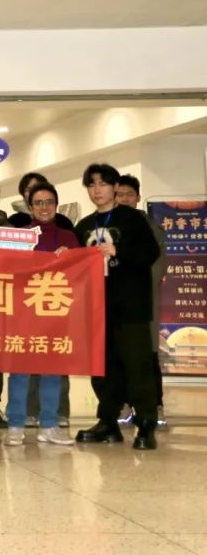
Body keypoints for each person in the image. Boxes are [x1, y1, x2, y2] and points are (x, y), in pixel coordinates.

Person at [74, 163, 161, 450]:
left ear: (114, 187)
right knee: (103, 368)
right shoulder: (83, 226)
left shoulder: (133, 219)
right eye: (92, 184)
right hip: (96, 309)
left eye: (103, 184)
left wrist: (118, 251)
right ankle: (108, 422)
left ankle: (146, 423)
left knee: (137, 366)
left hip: (130, 306)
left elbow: (151, 252)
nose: (97, 190)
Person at [4, 182, 78, 448]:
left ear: (56, 205)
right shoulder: (19, 236)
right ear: (30, 207)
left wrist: (72, 257)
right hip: (23, 313)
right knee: (20, 372)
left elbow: (80, 274)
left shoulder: (69, 237)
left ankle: (49, 425)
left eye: (49, 202)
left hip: (56, 312)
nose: (44, 207)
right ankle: (15, 425)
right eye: (38, 203)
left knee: (53, 371)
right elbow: (3, 267)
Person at [116, 173, 167, 425]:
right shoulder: (108, 226)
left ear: (138, 197)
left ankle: (155, 406)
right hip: (116, 302)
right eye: (120, 194)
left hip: (142, 300)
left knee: (147, 355)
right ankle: (123, 405)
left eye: (129, 194)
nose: (125, 199)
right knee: (119, 355)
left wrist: (136, 283)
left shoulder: (151, 227)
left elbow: (158, 263)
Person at [8, 173, 76, 230]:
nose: (33, 192)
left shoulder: (63, 221)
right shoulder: (14, 221)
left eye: (37, 187)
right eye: (28, 189)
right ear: (23, 195)